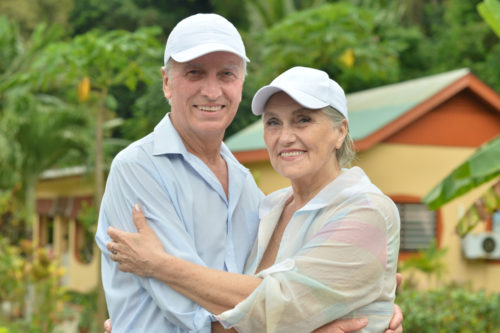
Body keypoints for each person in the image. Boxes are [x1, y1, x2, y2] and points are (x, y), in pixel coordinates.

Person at [106, 66, 401, 332]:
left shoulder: (367, 210)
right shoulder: (266, 208)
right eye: (273, 123)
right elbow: (234, 306)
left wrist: (158, 264)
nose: (285, 137)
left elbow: (279, 305)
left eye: (303, 120)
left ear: (340, 131)